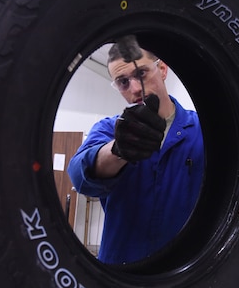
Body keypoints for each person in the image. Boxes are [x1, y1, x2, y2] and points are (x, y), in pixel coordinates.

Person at [68, 38, 204, 265]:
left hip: (185, 271)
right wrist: (118, 150)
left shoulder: (202, 130)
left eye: (141, 74)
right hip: (120, 268)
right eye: (122, 81)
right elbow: (79, 175)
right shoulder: (108, 129)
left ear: (162, 69)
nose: (134, 89)